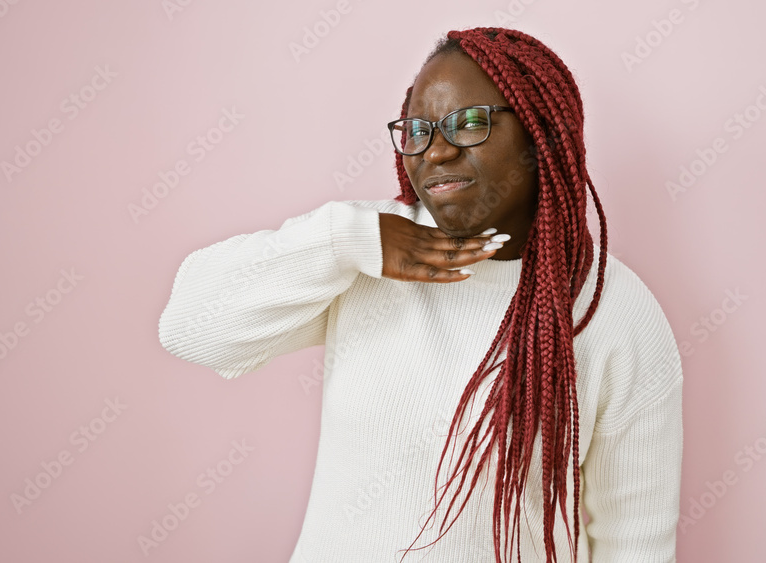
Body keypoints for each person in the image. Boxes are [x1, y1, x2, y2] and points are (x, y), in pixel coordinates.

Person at [158, 27, 683, 563]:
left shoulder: (612, 307)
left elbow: (634, 533)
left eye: (470, 122)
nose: (435, 150)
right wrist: (345, 240)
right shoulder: (368, 254)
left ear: (541, 132)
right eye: (417, 130)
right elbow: (191, 328)